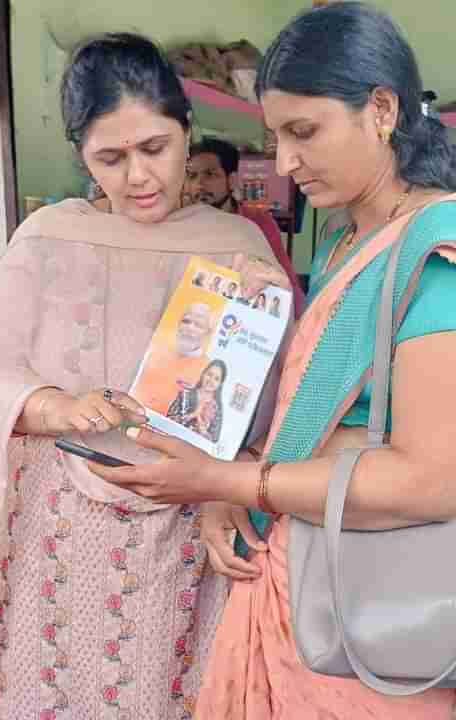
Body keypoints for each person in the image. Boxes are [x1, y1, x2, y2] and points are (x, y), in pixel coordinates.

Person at [83, 6, 456, 718]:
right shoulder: (345, 245)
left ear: (381, 109)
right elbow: (329, 424)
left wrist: (235, 479)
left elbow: (432, 478)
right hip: (293, 586)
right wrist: (235, 479)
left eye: (303, 132)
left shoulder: (436, 258)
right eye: (275, 137)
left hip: (368, 623)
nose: (283, 162)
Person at [0, 34, 285, 720]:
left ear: (186, 131)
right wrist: (54, 404)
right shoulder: (45, 239)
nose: (138, 177)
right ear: (80, 155)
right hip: (59, 536)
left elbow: (267, 404)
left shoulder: (237, 250)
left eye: (155, 148)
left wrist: (228, 482)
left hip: (187, 533)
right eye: (110, 159)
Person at [187, 136, 306, 312]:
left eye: (210, 175)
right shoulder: (182, 222)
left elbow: (288, 285)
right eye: (192, 176)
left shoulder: (258, 222)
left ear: (232, 180)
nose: (199, 185)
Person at [129, 301, 217, 416]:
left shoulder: (209, 371)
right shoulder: (154, 350)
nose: (189, 328)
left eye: (198, 325)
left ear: (208, 333)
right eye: (186, 321)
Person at [167, 359, 227, 443]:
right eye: (209, 374)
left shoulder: (217, 408)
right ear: (203, 374)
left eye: (216, 379)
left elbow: (214, 440)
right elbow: (168, 420)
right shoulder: (185, 394)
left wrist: (203, 430)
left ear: (220, 384)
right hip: (172, 440)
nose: (211, 380)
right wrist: (192, 415)